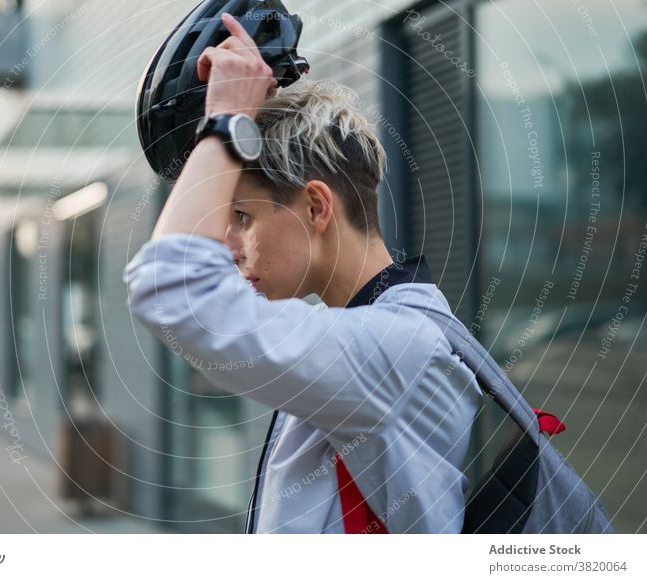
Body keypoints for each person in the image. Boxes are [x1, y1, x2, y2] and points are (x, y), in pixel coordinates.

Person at [123, 12, 483, 533]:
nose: (230, 248)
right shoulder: (371, 334)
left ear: (316, 207)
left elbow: (172, 290)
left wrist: (228, 122)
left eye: (242, 218)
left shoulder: (396, 347)